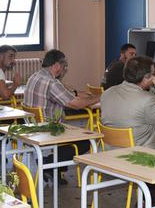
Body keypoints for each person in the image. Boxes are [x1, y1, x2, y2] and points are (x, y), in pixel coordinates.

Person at [24, 49, 100, 182]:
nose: (64, 70)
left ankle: (54, 169)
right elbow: (76, 104)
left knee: (72, 136)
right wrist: (100, 97)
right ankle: (49, 163)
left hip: (31, 126)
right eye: (65, 67)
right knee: (86, 142)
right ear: (57, 65)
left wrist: (84, 95)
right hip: (48, 129)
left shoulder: (35, 76)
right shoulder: (52, 82)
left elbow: (67, 93)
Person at [100, 55, 155, 152]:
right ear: (146, 77)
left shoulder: (107, 93)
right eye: (153, 74)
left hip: (111, 151)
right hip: (139, 154)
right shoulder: (147, 100)